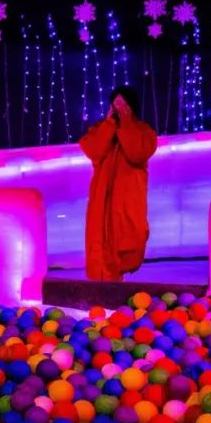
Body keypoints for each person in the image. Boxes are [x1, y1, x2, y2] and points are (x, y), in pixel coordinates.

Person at [79, 86, 158, 282]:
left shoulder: (143, 131)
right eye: (116, 105)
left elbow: (137, 154)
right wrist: (108, 125)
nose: (118, 109)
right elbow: (93, 150)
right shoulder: (101, 129)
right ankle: (101, 291)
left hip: (127, 201)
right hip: (101, 202)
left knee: (126, 243)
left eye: (123, 105)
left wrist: (127, 124)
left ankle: (116, 285)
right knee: (100, 248)